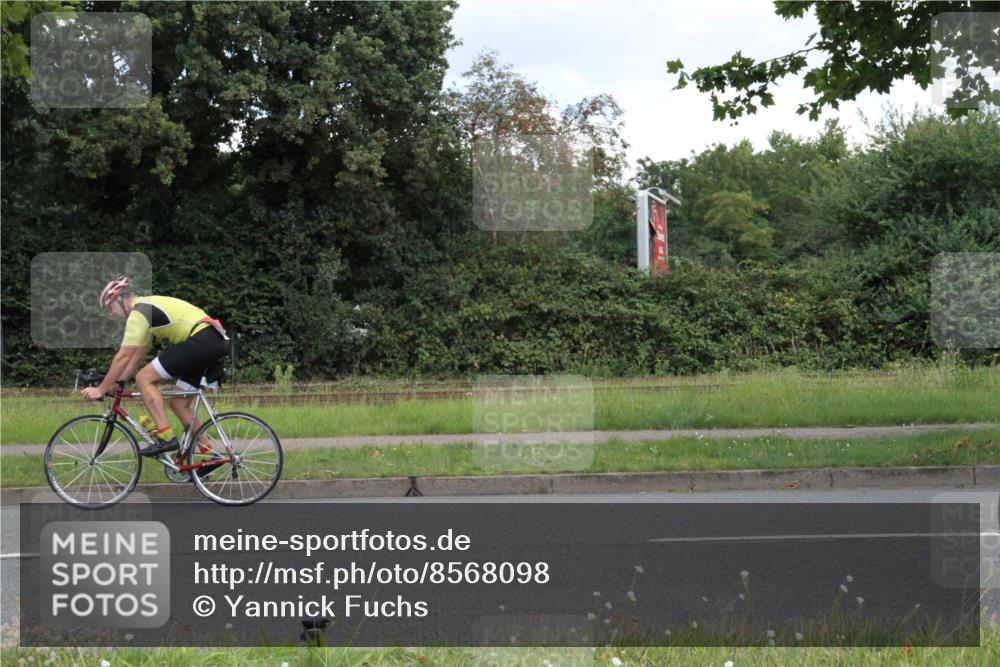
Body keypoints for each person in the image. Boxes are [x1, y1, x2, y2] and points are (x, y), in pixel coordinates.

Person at [81, 276, 230, 456]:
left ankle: (166, 437)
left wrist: (101, 388)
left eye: (109, 308)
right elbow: (135, 358)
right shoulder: (146, 313)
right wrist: (117, 383)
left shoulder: (139, 312)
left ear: (121, 300)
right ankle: (208, 455)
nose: (111, 314)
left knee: (144, 378)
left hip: (201, 339)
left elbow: (123, 356)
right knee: (179, 404)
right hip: (211, 340)